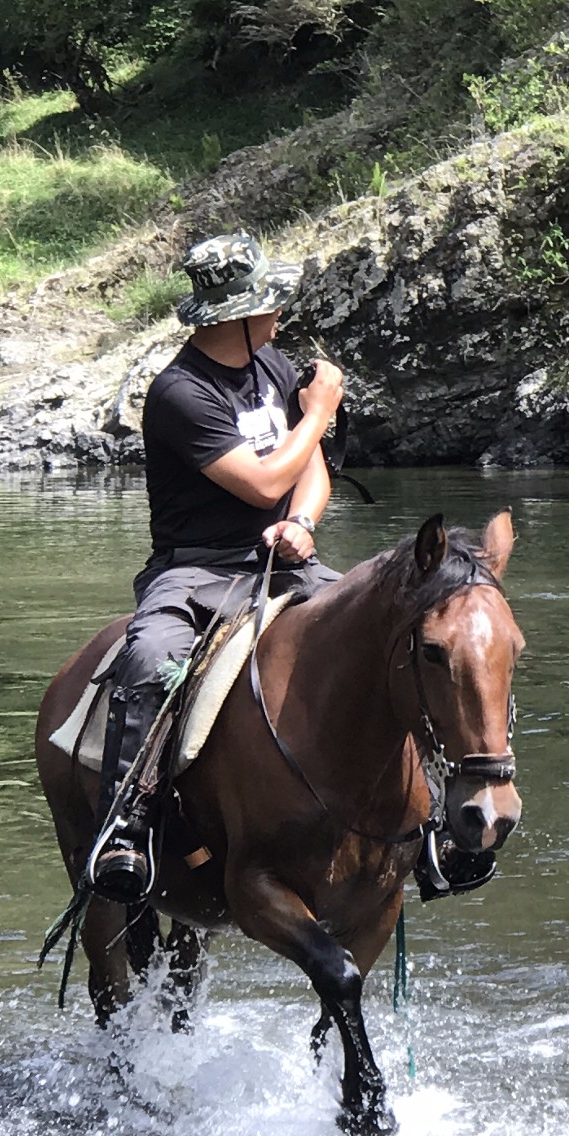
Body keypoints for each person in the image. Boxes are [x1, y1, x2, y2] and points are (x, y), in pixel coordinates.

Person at [88, 233, 346, 902]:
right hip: (196, 571)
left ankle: (420, 813)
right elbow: (263, 484)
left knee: (381, 631)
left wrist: (303, 523)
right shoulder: (180, 393)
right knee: (151, 660)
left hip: (281, 561)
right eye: (271, 302)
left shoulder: (276, 366)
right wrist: (319, 414)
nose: (281, 312)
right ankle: (127, 825)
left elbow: (308, 475)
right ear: (237, 314)